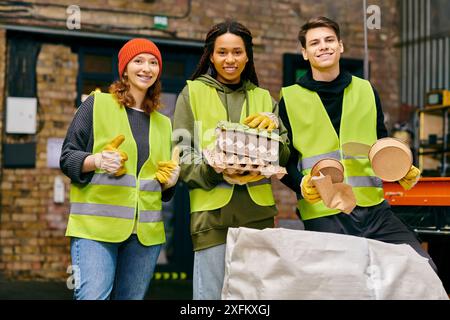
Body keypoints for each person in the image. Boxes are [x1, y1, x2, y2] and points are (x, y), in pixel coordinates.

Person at [279, 16, 437, 272]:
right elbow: (282, 160)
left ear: (340, 46)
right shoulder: (290, 99)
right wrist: (300, 184)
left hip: (374, 210)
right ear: (305, 53)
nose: (324, 46)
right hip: (324, 211)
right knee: (346, 283)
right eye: (315, 43)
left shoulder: (366, 90)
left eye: (329, 40)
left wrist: (400, 169)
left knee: (421, 268)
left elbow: (380, 145)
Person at [173, 20, 290, 300]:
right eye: (222, 52)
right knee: (210, 297)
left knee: (254, 298)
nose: (230, 59)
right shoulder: (192, 93)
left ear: (247, 55)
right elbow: (181, 151)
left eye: (237, 52)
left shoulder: (263, 97)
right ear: (211, 56)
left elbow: (285, 152)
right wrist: (213, 169)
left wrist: (274, 128)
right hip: (212, 216)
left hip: (257, 215)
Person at [60, 38, 180, 300]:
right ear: (124, 68)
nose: (146, 68)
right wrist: (97, 160)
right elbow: (67, 157)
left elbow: (158, 185)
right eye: (138, 61)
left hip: (145, 235)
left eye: (153, 62)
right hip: (96, 228)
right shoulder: (96, 104)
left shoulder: (164, 124)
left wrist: (170, 183)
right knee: (93, 296)